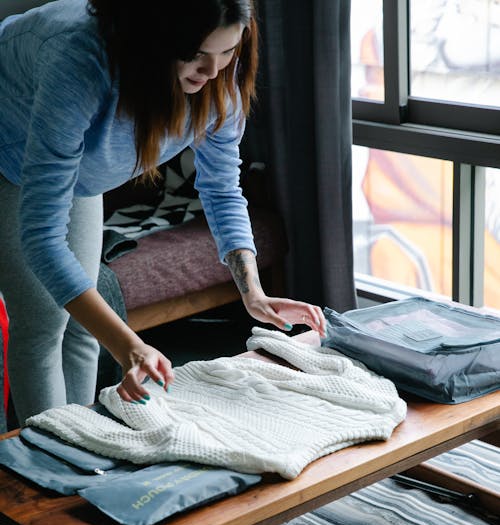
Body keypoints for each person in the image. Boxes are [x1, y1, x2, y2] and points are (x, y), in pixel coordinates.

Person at [0, 0, 326, 426]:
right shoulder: (78, 63)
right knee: (44, 321)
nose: (213, 72)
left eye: (228, 53)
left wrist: (254, 293)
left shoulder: (219, 84)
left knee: (84, 326)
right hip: (10, 139)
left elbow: (223, 190)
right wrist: (130, 346)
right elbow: (42, 238)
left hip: (74, 158)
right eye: (197, 55)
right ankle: (45, 467)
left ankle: (75, 442)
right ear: (155, 43)